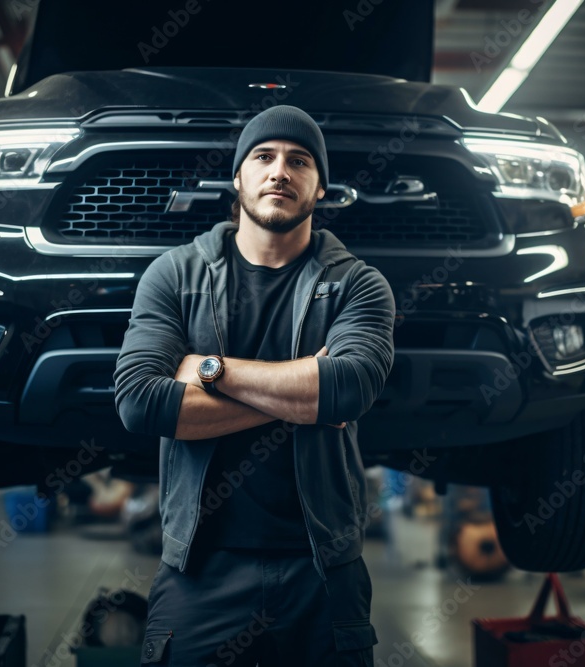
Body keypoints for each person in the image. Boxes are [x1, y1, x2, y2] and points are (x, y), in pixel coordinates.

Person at [114, 104, 396, 666]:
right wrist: (304, 400)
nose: (280, 172)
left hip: (323, 568)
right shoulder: (175, 274)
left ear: (319, 189)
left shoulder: (358, 285)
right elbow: (141, 402)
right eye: (263, 157)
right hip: (198, 569)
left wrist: (210, 371)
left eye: (299, 161)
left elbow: (347, 390)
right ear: (238, 177)